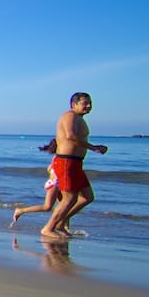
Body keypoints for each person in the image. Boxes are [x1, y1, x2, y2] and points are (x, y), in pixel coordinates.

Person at [41, 92, 108, 239]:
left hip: (76, 163)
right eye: (85, 103)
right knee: (69, 198)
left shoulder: (79, 118)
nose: (89, 106)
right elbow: (70, 136)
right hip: (66, 161)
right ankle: (48, 228)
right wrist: (93, 147)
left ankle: (61, 222)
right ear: (74, 104)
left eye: (90, 103)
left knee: (87, 197)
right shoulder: (69, 116)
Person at [11, 138, 63, 228]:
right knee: (47, 207)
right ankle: (21, 210)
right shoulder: (58, 157)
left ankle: (64, 227)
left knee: (63, 207)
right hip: (54, 184)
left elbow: (49, 168)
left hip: (59, 183)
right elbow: (51, 168)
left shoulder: (58, 157)